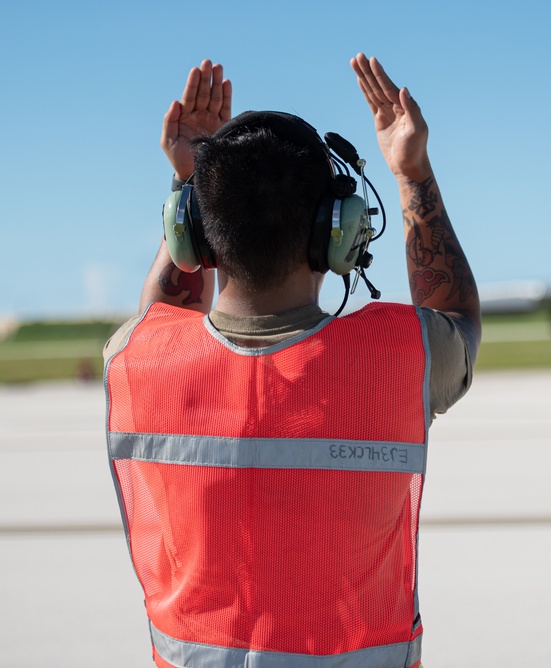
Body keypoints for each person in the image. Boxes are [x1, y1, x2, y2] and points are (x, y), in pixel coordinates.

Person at [104, 54, 480, 668]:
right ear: (340, 232)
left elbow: (163, 316)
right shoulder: (401, 356)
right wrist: (412, 172)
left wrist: (188, 183)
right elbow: (458, 313)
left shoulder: (136, 362)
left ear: (193, 233)